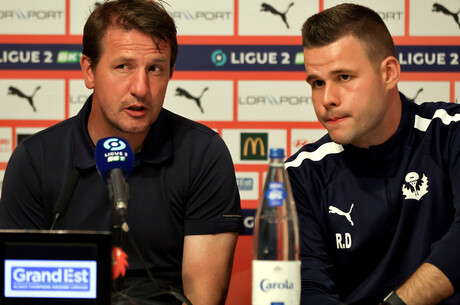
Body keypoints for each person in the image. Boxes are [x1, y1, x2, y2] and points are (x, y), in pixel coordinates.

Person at [0, 0, 244, 304]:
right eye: (123, 66)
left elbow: (202, 298)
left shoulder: (203, 153)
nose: (141, 88)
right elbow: (22, 294)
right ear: (89, 71)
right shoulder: (34, 161)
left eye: (155, 68)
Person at [285, 3, 460, 305]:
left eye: (343, 77)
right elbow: (310, 288)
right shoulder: (301, 174)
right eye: (317, 83)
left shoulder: (450, 133)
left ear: (389, 73)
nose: (327, 99)